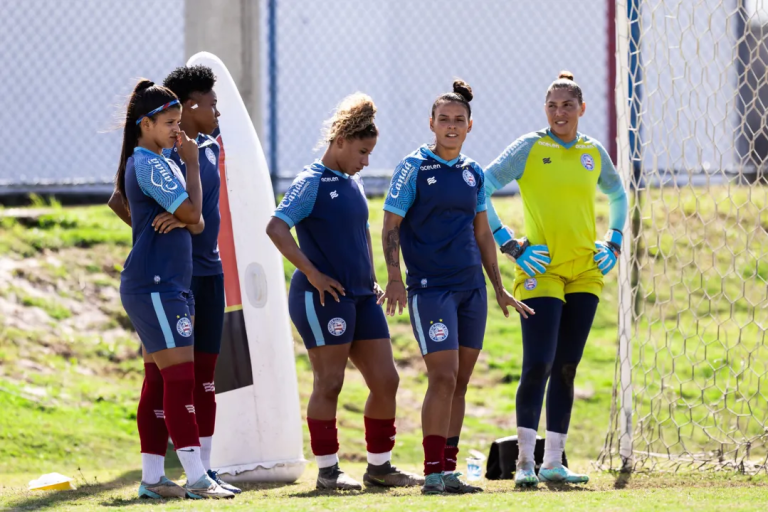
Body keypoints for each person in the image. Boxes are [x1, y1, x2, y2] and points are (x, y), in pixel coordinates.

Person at [380, 81, 534, 496]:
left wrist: (498, 288)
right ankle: (431, 473)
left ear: (470, 126)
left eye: (458, 120)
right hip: (431, 290)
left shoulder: (474, 172)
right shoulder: (413, 168)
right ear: (431, 123)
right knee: (443, 377)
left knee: (461, 382)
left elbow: (483, 233)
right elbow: (390, 226)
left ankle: (449, 470)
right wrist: (395, 277)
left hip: (472, 290)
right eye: (443, 119)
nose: (451, 126)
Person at [266, 93, 423, 491]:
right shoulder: (310, 182)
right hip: (321, 298)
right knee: (329, 382)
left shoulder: (351, 181)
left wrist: (371, 278)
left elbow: (357, 235)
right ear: (339, 143)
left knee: (386, 380)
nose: (366, 161)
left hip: (360, 295)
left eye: (370, 153)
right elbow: (276, 228)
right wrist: (314, 274)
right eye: (362, 152)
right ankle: (328, 471)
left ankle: (379, 467)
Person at [483, 71, 628, 487]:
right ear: (544, 110)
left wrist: (614, 241)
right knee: (539, 364)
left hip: (585, 269)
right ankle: (525, 463)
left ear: (582, 109)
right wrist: (510, 245)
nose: (559, 112)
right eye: (552, 105)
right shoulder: (530, 146)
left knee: (567, 367)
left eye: (567, 105)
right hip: (540, 270)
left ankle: (553, 462)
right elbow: (483, 186)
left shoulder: (593, 152)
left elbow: (618, 194)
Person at [113, 79, 233, 499]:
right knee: (180, 381)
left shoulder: (159, 160)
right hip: (155, 286)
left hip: (170, 286)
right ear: (145, 124)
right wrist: (194, 167)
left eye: (178, 123)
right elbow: (195, 213)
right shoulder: (147, 163)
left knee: (164, 382)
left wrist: (182, 218)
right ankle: (197, 478)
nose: (177, 132)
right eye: (169, 123)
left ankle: (151, 480)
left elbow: (194, 221)